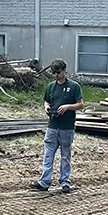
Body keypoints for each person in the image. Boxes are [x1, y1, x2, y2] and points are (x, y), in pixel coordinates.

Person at [33, 58, 83, 193]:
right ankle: (44, 182)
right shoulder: (51, 86)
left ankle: (65, 181)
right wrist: (47, 108)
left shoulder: (74, 86)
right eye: (53, 73)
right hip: (52, 126)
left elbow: (80, 104)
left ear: (64, 71)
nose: (56, 75)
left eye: (58, 72)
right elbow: (46, 101)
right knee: (48, 155)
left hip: (66, 127)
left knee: (65, 156)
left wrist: (67, 107)